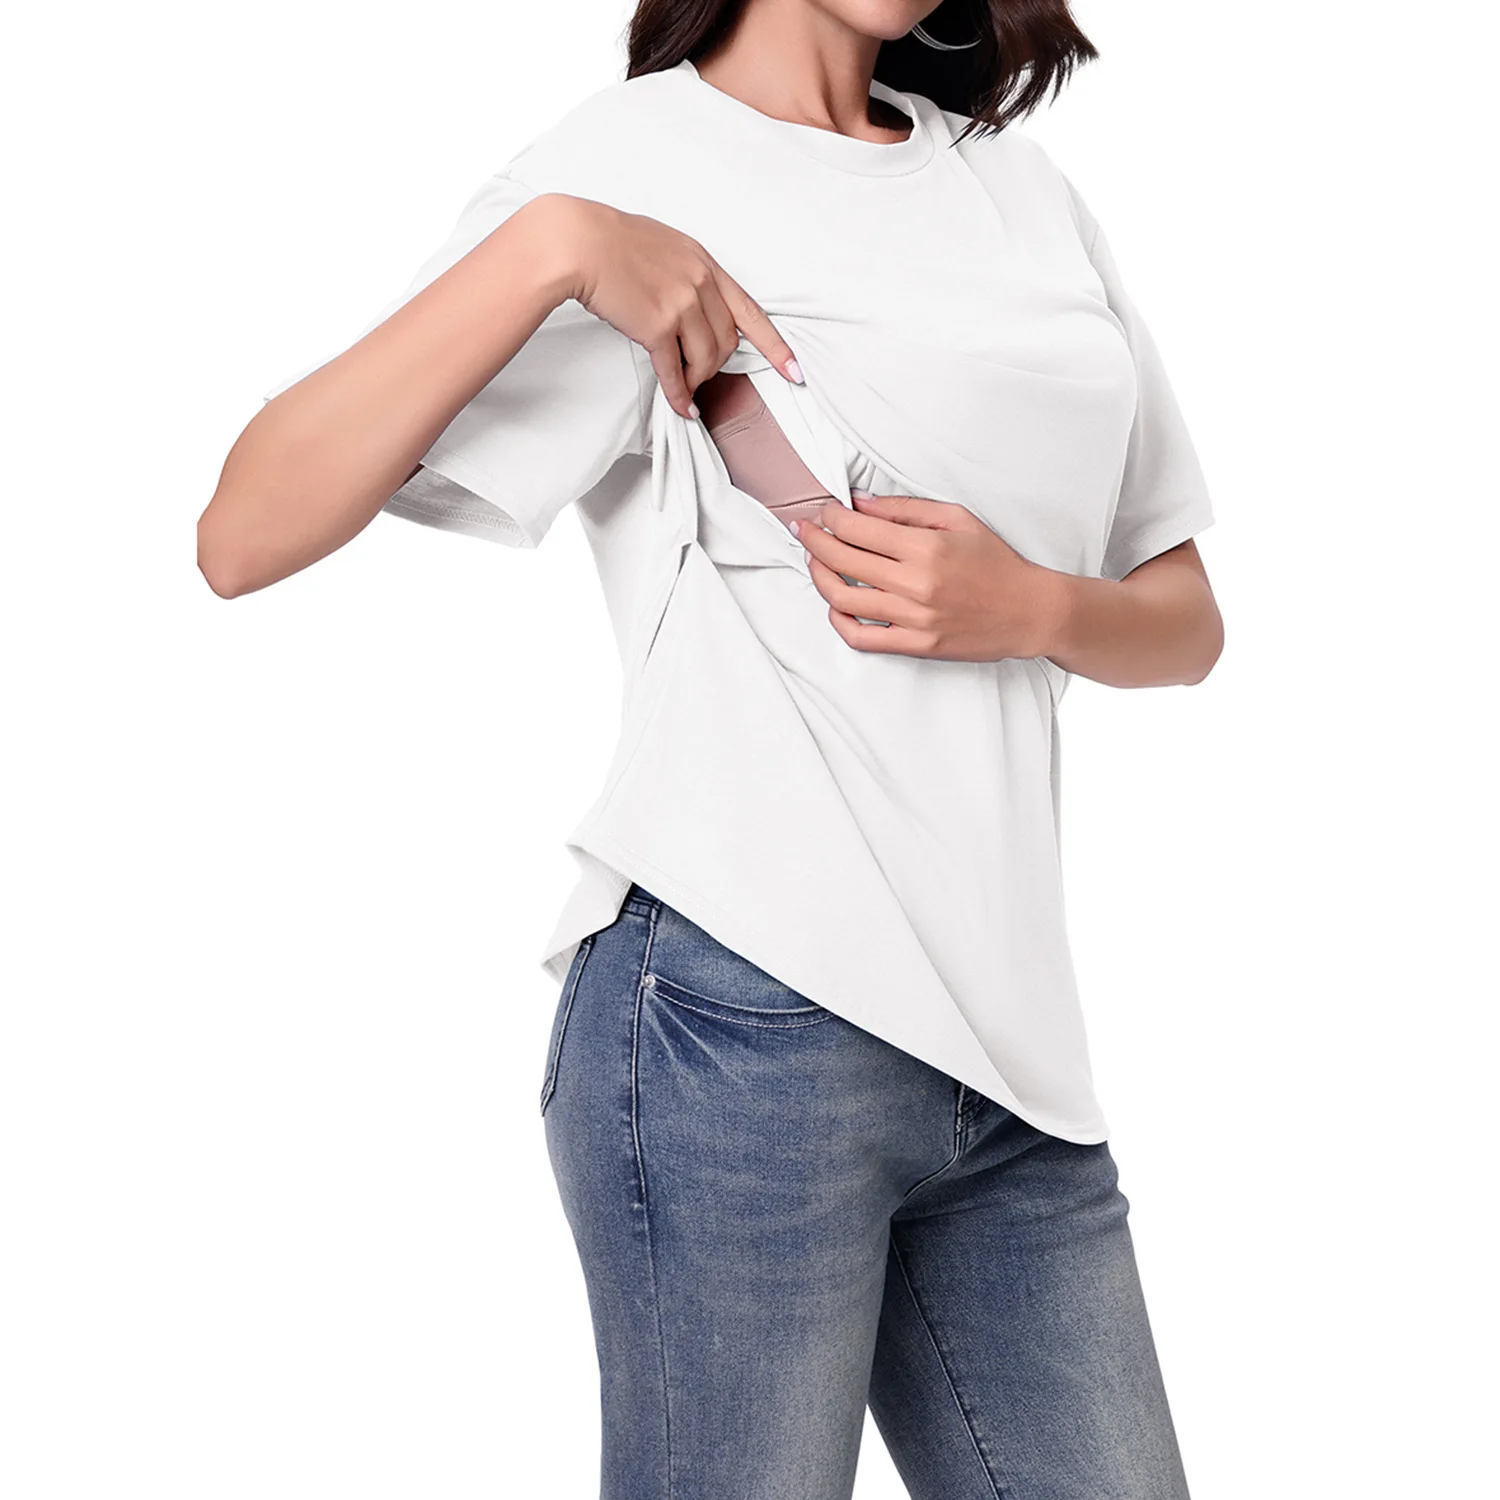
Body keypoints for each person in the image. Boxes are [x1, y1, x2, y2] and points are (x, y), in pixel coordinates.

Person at [199, 2, 1224, 1496]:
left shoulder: (1018, 189)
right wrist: (555, 244)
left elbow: (1184, 618)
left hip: (1014, 1067)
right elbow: (242, 534)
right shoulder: (630, 166)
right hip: (740, 1024)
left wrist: (1034, 606)